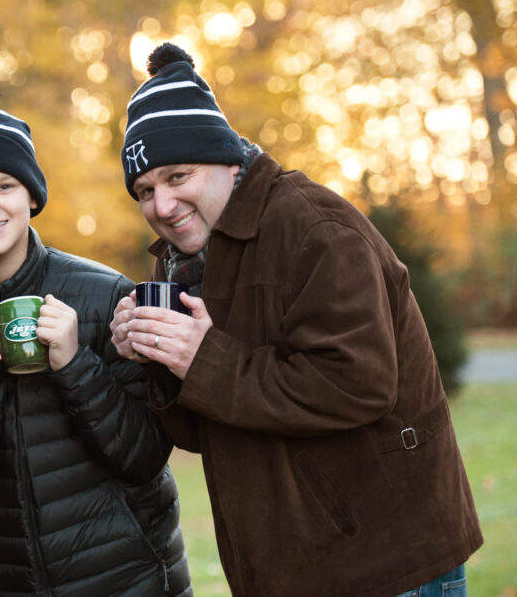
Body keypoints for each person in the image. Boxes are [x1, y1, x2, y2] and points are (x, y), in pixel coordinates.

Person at [109, 42, 483, 597]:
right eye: (145, 190)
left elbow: (357, 384)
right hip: (294, 571)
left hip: (384, 566)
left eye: (177, 176)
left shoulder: (315, 230)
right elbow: (203, 430)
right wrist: (159, 355)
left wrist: (201, 356)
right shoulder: (191, 264)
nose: (162, 205)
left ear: (227, 161)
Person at [0, 81, 193, 596]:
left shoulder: (104, 292)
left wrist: (75, 363)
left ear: (31, 195)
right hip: (11, 582)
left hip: (129, 580)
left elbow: (146, 456)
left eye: (5, 186)